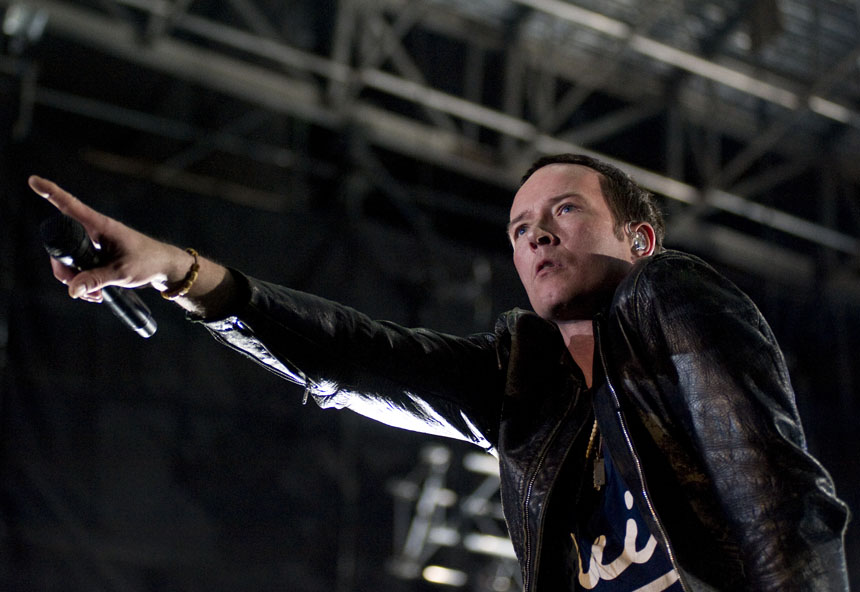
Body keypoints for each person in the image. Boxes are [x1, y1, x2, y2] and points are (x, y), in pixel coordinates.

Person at [28, 153, 850, 591]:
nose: (536, 234)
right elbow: (353, 355)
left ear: (638, 239)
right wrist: (175, 270)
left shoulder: (671, 294)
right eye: (520, 226)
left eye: (565, 209)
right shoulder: (521, 384)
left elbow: (778, 497)